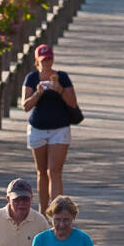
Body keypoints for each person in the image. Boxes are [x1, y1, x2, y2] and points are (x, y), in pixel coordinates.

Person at [21, 42, 80, 211]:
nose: (46, 63)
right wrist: (38, 93)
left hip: (59, 128)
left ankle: (57, 210)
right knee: (41, 172)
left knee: (55, 171)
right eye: (43, 60)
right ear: (37, 61)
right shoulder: (31, 78)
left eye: (49, 59)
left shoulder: (62, 77)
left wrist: (60, 90)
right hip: (38, 128)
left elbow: (73, 103)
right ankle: (42, 209)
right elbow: (25, 106)